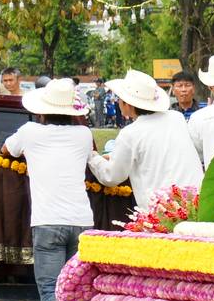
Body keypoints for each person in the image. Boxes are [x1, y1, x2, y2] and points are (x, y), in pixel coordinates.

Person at [2, 79, 94, 301]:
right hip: (82, 222)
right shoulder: (84, 134)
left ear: (41, 111)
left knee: (50, 288)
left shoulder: (30, 132)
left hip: (48, 222)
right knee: (77, 289)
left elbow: (6, 150)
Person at [87, 69, 203, 209]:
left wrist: (93, 157)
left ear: (127, 104)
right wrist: (112, 155)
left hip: (163, 211)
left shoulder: (130, 133)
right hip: (196, 202)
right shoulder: (176, 118)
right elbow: (158, 147)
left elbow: (111, 176)